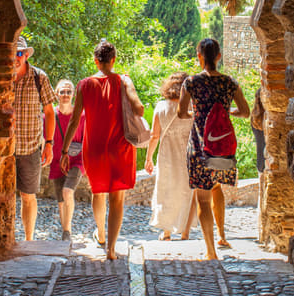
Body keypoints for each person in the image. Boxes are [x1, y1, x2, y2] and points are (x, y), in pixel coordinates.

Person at [61, 40, 143, 260]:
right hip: (120, 149)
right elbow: (139, 108)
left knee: (98, 192)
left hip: (94, 149)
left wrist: (64, 151)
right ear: (114, 60)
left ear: (96, 61)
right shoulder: (124, 80)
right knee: (117, 199)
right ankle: (111, 249)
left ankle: (101, 234)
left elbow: (74, 121)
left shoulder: (84, 85)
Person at [178, 38, 250, 260]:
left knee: (202, 198)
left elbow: (181, 113)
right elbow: (246, 111)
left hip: (200, 147)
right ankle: (222, 234)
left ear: (199, 56)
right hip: (222, 147)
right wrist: (228, 113)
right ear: (219, 56)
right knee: (217, 187)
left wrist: (195, 114)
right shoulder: (230, 83)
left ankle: (210, 251)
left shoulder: (191, 83)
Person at [12, 35, 56, 241]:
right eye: (12, 53)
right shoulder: (0, 77)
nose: (16, 57)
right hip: (4, 149)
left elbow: (49, 112)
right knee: (1, 197)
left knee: (28, 197)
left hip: (30, 148)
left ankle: (29, 239)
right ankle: (6, 238)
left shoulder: (40, 77)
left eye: (19, 53)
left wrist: (49, 143)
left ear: (26, 55)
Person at [144, 72, 197, 240]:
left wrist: (148, 158)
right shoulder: (192, 106)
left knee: (166, 190)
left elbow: (154, 135)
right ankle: (185, 232)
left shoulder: (161, 106)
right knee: (187, 191)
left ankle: (166, 231)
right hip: (187, 153)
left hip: (167, 154)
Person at [47, 79, 85, 241]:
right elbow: (44, 138)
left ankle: (67, 233)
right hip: (56, 161)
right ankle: (65, 230)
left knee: (67, 191)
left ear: (73, 95)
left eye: (68, 91)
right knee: (61, 201)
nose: (65, 94)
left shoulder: (81, 116)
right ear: (56, 94)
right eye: (62, 91)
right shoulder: (50, 116)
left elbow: (87, 138)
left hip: (77, 160)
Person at [251, 87, 267, 244]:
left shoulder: (254, 117)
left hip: (260, 162)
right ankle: (265, 232)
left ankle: (261, 232)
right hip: (269, 159)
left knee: (261, 198)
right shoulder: (268, 118)